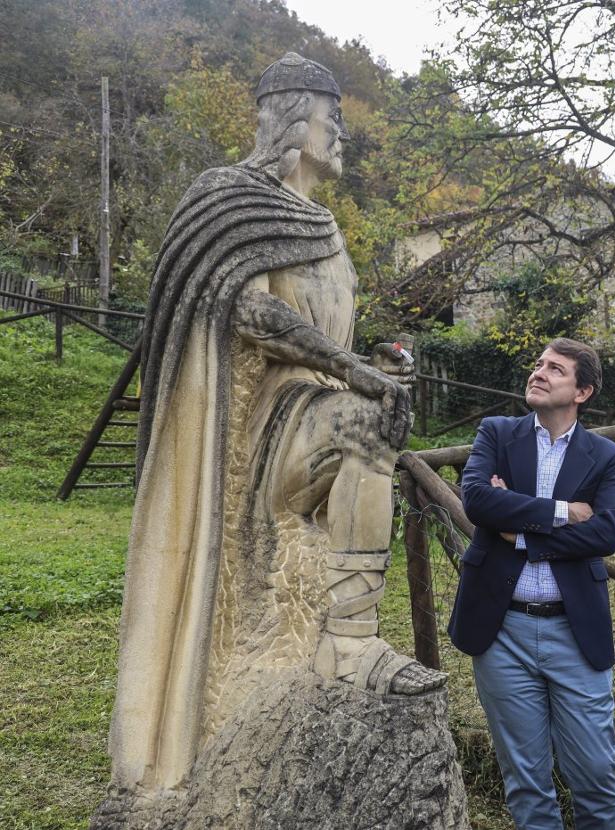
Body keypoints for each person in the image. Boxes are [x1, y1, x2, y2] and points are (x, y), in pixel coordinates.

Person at [110, 53, 438, 793]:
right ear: (294, 119)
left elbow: (329, 332)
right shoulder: (231, 196)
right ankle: (349, 643)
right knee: (365, 422)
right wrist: (352, 369)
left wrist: (363, 367)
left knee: (370, 421)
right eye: (333, 118)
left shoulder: (328, 227)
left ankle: (346, 632)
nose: (343, 134)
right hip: (261, 421)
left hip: (315, 405)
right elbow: (247, 310)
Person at [449, 338, 615, 829]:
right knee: (526, 780)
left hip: (574, 631)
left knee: (596, 775)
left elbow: (607, 533)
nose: (539, 373)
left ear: (582, 392)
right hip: (501, 631)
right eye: (538, 364)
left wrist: (521, 533)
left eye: (555, 369)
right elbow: (478, 501)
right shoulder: (497, 433)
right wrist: (563, 512)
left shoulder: (605, 455)